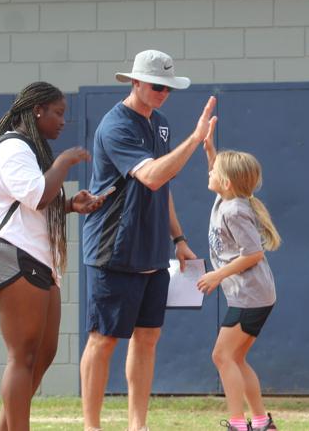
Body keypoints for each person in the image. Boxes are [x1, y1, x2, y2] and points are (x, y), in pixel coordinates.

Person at [79, 49, 217, 431]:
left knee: (148, 338)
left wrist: (179, 238)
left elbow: (163, 189)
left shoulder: (161, 125)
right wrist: (195, 140)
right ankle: (92, 426)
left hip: (154, 251)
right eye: (157, 86)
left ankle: (137, 426)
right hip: (114, 250)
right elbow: (152, 176)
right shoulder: (115, 126)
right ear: (135, 82)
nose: (163, 93)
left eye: (169, 87)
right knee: (103, 339)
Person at [0, 81, 105, 431]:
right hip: (14, 255)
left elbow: (33, 202)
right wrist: (65, 162)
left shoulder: (30, 151)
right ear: (38, 111)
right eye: (58, 113)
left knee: (44, 353)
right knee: (22, 356)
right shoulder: (13, 149)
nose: (63, 121)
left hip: (38, 258)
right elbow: (36, 196)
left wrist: (68, 205)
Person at [197, 129, 281, 431]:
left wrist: (218, 275)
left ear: (227, 183)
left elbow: (253, 254)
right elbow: (218, 173)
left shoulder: (234, 210)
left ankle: (238, 423)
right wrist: (210, 150)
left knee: (221, 356)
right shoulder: (226, 198)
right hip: (251, 295)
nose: (210, 173)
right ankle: (260, 422)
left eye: (215, 171)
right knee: (236, 358)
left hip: (251, 295)